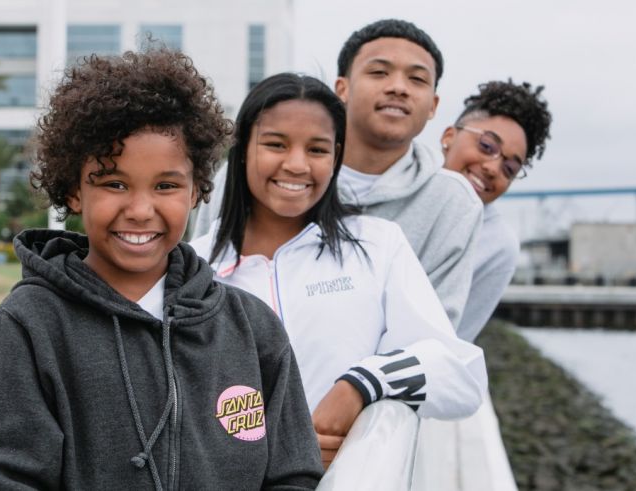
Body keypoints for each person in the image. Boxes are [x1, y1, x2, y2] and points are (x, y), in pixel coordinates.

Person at [0, 50, 323, 489]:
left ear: (196, 192)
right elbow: (3, 479)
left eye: (166, 186)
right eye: (115, 183)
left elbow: (294, 474)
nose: (139, 209)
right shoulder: (28, 327)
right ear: (74, 191)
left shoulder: (251, 328)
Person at [190, 73, 487, 469]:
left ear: (336, 157)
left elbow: (458, 374)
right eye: (276, 144)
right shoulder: (194, 269)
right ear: (243, 151)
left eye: (317, 149)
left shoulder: (377, 246)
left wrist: (360, 385)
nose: (296, 164)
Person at [193, 19, 482, 330]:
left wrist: (361, 379)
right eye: (379, 72)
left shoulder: (440, 209)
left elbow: (434, 338)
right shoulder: (243, 176)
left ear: (433, 105)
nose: (398, 87)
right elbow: (204, 275)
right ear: (342, 88)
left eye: (417, 79)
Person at [441, 80, 552, 342]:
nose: (492, 168)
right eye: (487, 146)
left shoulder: (498, 246)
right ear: (448, 137)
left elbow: (454, 339)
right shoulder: (401, 180)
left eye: (510, 169)